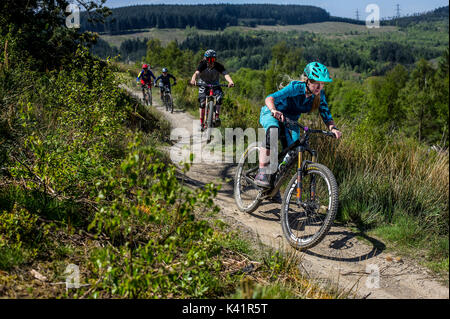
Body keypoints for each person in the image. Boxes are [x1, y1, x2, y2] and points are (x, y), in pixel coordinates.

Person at [254, 61, 342, 188]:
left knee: (294, 152)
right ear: (307, 80)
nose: (319, 87)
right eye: (316, 83)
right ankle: (262, 172)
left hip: (291, 121)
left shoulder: (319, 95)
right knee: (273, 131)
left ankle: (274, 185)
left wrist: (333, 128)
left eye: (322, 84)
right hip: (272, 112)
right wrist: (274, 110)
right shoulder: (295, 87)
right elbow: (270, 98)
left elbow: (325, 113)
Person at [190, 49, 234, 131]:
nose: (210, 61)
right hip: (203, 84)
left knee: (219, 97)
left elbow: (225, 74)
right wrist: (193, 80)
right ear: (205, 59)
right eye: (208, 59)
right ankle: (201, 122)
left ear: (215, 59)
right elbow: (196, 73)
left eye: (212, 59)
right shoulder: (202, 65)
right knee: (202, 103)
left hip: (215, 84)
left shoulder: (218, 66)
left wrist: (230, 81)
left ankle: (217, 116)